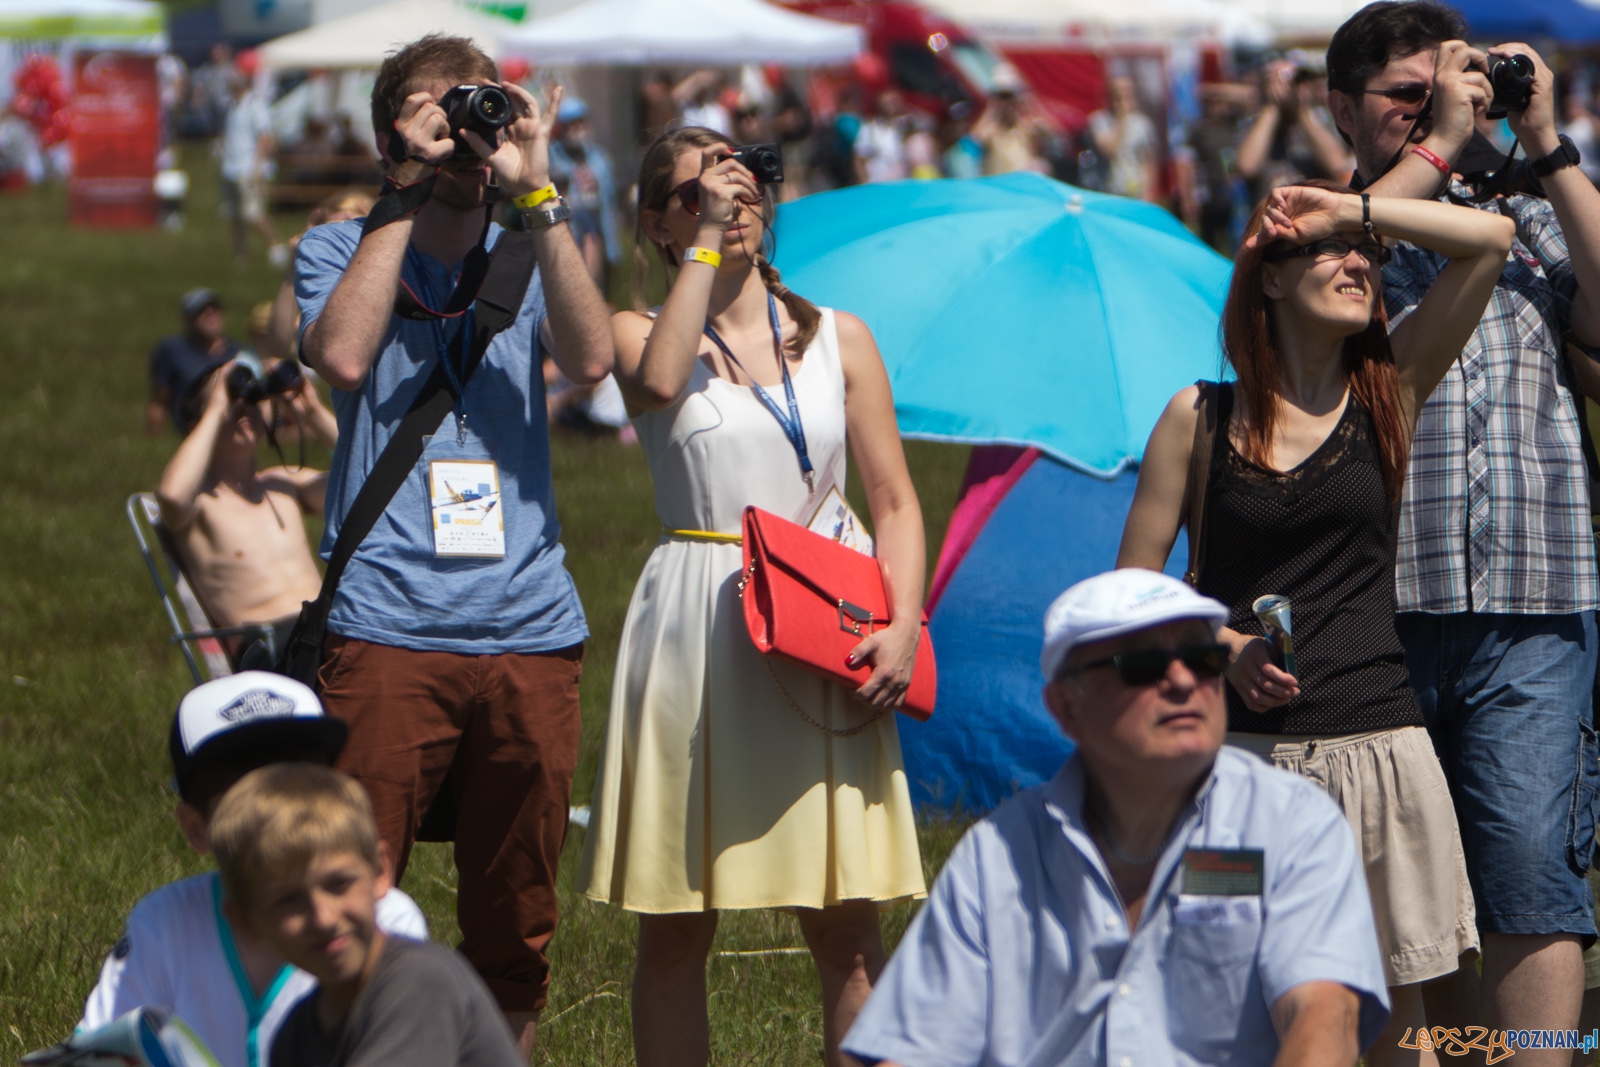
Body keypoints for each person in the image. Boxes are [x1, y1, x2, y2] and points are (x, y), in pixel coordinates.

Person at [1117, 179, 1511, 1065]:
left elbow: (1489, 240)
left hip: (1380, 757)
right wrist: (1222, 646)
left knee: (1390, 1024)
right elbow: (1129, 597)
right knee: (1235, 1011)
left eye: (1364, 253)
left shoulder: (1391, 388)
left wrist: (1350, 212)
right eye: (1325, 250)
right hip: (1234, 771)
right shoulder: (1197, 417)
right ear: (1267, 278)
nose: (1356, 263)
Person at [577, 125, 928, 1067]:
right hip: (701, 623)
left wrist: (903, 623)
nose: (729, 207)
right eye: (696, 194)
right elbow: (655, 385)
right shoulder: (639, 332)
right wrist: (704, 244)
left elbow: (895, 499)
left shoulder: (838, 335)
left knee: (848, 926)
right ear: (656, 223)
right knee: (677, 926)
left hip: (827, 619)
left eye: (739, 185)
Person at [294, 34, 613, 1056]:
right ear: (391, 124)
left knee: (515, 924)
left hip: (528, 626)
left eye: (476, 106)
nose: (462, 128)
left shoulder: (535, 235)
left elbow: (595, 357)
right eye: (435, 110)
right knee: (346, 900)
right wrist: (400, 190)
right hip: (388, 618)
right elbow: (343, 353)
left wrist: (537, 193)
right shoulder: (341, 243)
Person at [1325, 5, 1600, 1059]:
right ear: (1341, 107)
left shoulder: (1531, 217)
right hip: (1373, 602)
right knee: (1394, 889)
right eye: (1404, 96)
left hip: (1533, 600)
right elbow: (1324, 243)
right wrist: (1434, 145)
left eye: (1450, 91)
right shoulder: (1331, 223)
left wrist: (1543, 140)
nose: (1436, 112)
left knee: (1530, 868)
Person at [842, 568, 1391, 1067]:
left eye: (1202, 658)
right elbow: (911, 1050)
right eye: (1145, 664)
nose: (1182, 681)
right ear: (1066, 708)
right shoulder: (997, 859)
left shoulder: (1291, 826)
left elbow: (1326, 1018)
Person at [80, 673, 427, 1067]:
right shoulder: (165, 921)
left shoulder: (382, 918)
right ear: (197, 828)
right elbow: (97, 1050)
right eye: (245, 795)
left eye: (301, 778)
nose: (280, 810)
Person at [205, 763, 519, 1067]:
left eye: (339, 884)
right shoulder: (294, 1036)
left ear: (380, 871)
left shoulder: (421, 983)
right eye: (288, 901)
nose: (323, 918)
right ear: (245, 920)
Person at [158, 358, 338, 667]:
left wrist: (313, 412)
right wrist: (217, 408)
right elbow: (172, 497)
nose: (245, 407)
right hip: (269, 649)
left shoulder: (283, 484)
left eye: (253, 399)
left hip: (326, 626)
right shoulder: (200, 504)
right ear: (198, 425)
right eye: (232, 399)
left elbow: (366, 480)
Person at [1238, 57, 1354, 204]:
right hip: (1269, 217)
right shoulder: (1252, 126)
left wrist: (1302, 111)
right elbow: (1247, 168)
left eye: (1296, 81)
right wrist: (1272, 108)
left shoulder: (1319, 122)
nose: (1293, 87)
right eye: (1281, 80)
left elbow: (1337, 166)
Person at [149, 288, 243, 435]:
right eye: (201, 311)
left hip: (235, 427)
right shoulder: (173, 351)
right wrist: (152, 438)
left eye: (215, 309)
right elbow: (160, 400)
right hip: (191, 429)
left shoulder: (239, 353)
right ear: (187, 319)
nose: (211, 314)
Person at [549, 96, 619, 288]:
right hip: (566, 236)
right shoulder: (551, 157)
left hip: (598, 236)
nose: (577, 128)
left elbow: (609, 203)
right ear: (561, 128)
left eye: (581, 121)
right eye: (571, 123)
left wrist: (613, 247)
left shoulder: (599, 158)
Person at [219, 59, 282, 266]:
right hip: (231, 167)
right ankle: (241, 254)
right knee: (235, 215)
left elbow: (265, 138)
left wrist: (258, 167)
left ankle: (274, 246)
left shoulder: (255, 104)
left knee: (253, 213)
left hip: (248, 167)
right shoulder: (231, 106)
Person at [1088, 76, 1159, 201]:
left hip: (1135, 192)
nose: (1123, 99)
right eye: (1118, 94)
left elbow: (1148, 160)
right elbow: (1110, 150)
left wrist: (1149, 192)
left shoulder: (1143, 124)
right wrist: (1121, 117)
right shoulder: (1099, 121)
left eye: (1127, 93)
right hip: (1108, 192)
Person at [972, 64, 1049, 176]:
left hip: (1021, 184)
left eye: (1010, 98)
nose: (1008, 104)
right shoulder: (993, 129)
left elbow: (1048, 132)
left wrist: (1028, 105)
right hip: (999, 186)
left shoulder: (1024, 126)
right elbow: (975, 139)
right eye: (1003, 98)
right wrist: (992, 108)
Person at [853, 89, 909, 184]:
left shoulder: (907, 124)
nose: (892, 106)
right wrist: (864, 184)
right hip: (878, 182)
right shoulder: (870, 128)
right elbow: (859, 159)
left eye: (894, 101)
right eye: (887, 103)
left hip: (904, 181)